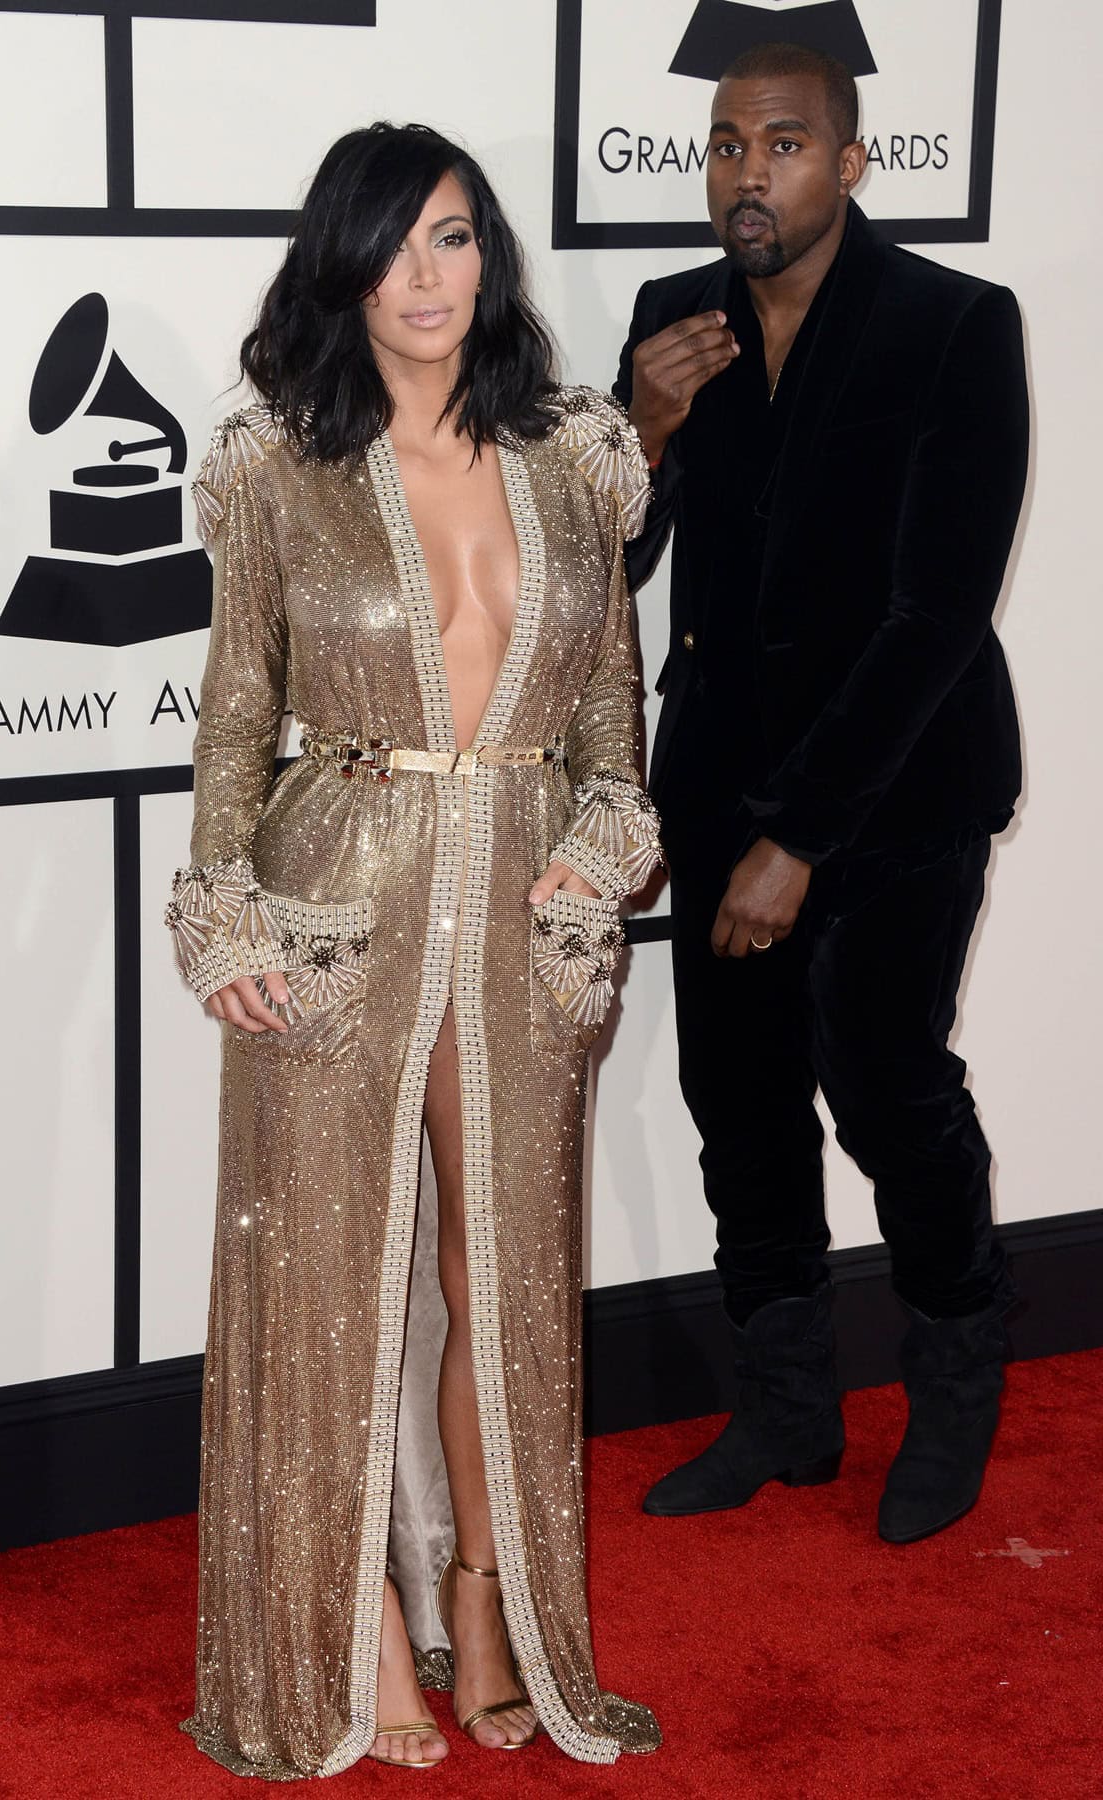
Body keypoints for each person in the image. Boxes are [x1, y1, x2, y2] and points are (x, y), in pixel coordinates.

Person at [166, 122, 661, 1777]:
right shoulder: (274, 466)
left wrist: (596, 865)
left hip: (524, 912)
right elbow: (239, 712)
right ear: (340, 266)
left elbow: (610, 717)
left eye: (450, 237)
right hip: (334, 898)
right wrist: (218, 910)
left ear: (488, 250)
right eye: (389, 247)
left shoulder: (582, 455)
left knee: (501, 1282)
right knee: (331, 1287)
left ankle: (494, 1606)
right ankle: (359, 1627)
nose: (425, 278)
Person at [615, 42, 1029, 1545]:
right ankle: (787, 1412)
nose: (746, 173)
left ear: (848, 163)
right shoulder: (673, 320)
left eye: (782, 143)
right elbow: (615, 570)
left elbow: (938, 612)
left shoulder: (954, 324)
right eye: (725, 144)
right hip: (719, 776)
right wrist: (643, 432)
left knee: (887, 1082)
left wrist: (802, 837)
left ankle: (957, 1380)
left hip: (903, 790)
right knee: (737, 1103)